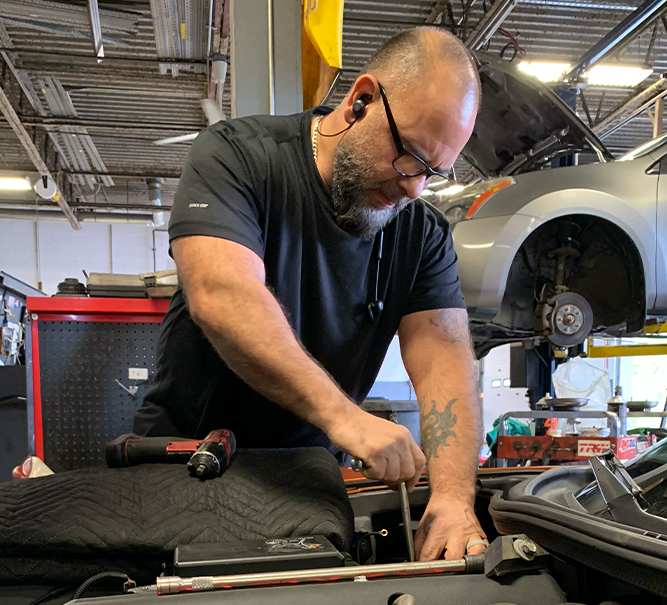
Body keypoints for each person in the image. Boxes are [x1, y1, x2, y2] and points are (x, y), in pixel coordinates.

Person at [134, 26, 486, 561]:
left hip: (303, 472)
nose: (414, 187)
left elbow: (445, 360)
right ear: (361, 100)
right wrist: (346, 420)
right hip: (187, 455)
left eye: (433, 172)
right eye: (410, 155)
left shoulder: (421, 231)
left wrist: (454, 497)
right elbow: (222, 294)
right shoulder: (239, 157)